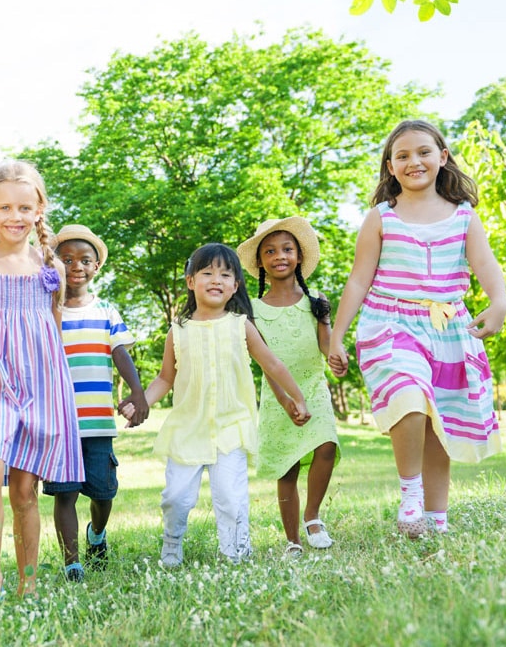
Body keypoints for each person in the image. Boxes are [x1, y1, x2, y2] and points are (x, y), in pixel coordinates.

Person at [328, 119, 506, 538]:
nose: (414, 162)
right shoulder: (381, 218)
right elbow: (358, 280)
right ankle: (411, 494)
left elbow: (485, 264)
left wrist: (499, 302)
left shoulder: (464, 216)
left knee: (437, 425)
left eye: (424, 152)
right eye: (402, 156)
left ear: (442, 157)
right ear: (390, 167)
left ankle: (436, 519)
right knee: (408, 397)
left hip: (448, 329)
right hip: (390, 324)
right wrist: (337, 335)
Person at [133, 243, 310, 567]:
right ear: (191, 281)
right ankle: (172, 543)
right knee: (176, 498)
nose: (216, 279)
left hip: (231, 426)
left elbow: (272, 364)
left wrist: (296, 397)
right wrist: (139, 403)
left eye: (225, 274)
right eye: (207, 273)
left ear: (235, 285)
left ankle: (237, 552)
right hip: (187, 429)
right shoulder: (178, 331)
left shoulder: (241, 325)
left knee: (231, 496)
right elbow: (165, 378)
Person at [0, 161, 84, 599]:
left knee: (25, 490)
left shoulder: (52, 269)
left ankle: (27, 582)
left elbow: (53, 329)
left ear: (39, 210)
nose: (15, 216)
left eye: (25, 207)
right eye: (5, 207)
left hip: (40, 384)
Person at [41, 224, 149, 583]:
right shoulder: (47, 311)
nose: (76, 266)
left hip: (98, 423)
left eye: (85, 260)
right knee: (65, 494)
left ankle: (97, 534)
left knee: (103, 493)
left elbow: (120, 353)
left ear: (96, 267)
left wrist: (137, 392)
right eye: (67, 259)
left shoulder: (106, 311)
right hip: (60, 424)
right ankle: (72, 564)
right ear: (54, 264)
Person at [238, 217, 341, 558]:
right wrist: (284, 399)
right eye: (269, 251)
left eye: (286, 249)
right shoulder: (252, 310)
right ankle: (293, 540)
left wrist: (336, 355)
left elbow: (325, 343)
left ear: (299, 256)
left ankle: (313, 516)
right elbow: (265, 362)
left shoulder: (316, 301)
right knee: (288, 465)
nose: (279, 256)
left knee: (326, 446)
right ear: (260, 262)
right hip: (277, 395)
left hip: (313, 386)